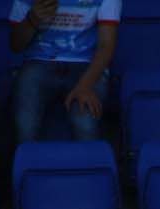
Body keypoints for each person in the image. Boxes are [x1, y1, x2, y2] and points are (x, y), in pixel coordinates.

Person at [7, 0, 117, 144]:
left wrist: (84, 86)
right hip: (39, 62)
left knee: (84, 118)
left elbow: (106, 45)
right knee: (24, 124)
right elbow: (15, 45)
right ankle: (27, 165)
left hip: (86, 65)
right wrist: (32, 20)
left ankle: (90, 165)